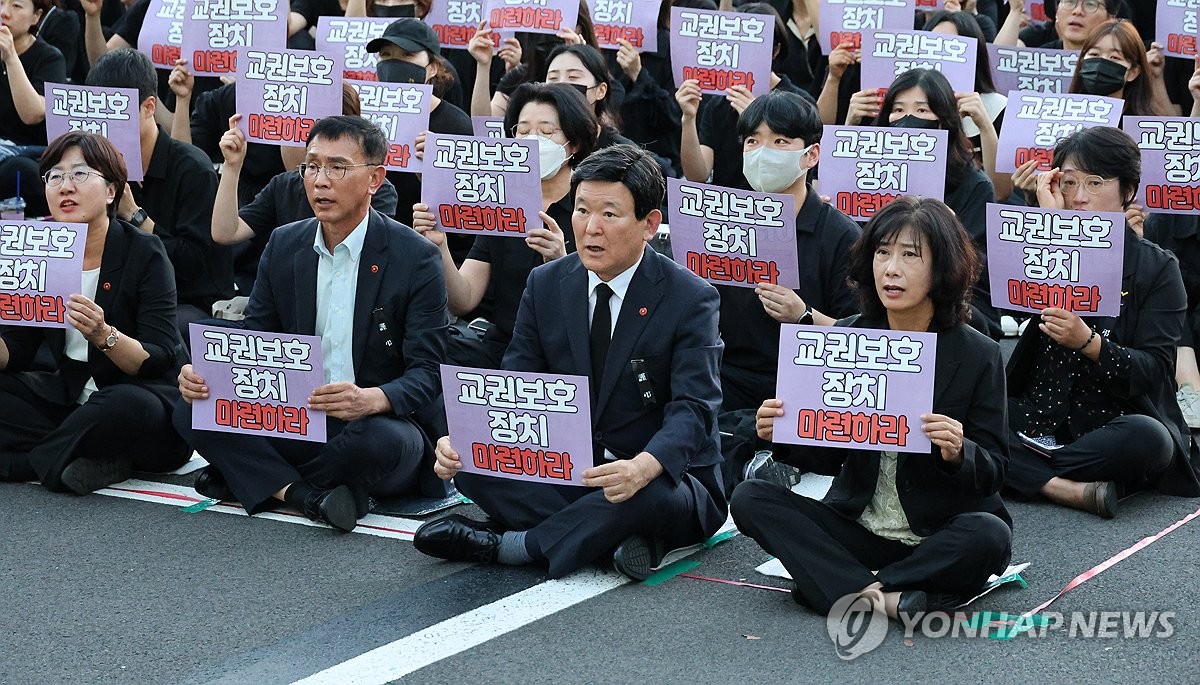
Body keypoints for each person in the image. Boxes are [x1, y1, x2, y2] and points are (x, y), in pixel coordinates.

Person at [412, 144, 726, 580]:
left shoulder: (690, 297)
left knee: (649, 495)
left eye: (610, 215)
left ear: (650, 224)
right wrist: (467, 436)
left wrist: (641, 467)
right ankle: (612, 540)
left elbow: (694, 409)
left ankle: (516, 546)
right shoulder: (546, 282)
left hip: (656, 472)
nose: (590, 228)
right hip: (568, 464)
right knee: (470, 468)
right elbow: (516, 383)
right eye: (581, 211)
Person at [732, 196, 1012, 619]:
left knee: (989, 536)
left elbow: (995, 467)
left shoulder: (979, 353)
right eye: (883, 252)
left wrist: (959, 451)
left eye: (909, 255)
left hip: (939, 530)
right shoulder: (845, 338)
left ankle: (838, 587)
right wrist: (780, 434)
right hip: (859, 524)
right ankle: (888, 598)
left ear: (942, 268)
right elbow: (826, 458)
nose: (891, 269)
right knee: (751, 497)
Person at [172, 115, 450, 532]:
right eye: (312, 166)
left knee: (383, 443)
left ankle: (254, 477)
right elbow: (256, 339)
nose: (320, 181)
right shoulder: (285, 244)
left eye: (338, 167)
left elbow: (428, 374)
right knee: (190, 407)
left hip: (373, 422)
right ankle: (305, 495)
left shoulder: (416, 257)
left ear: (375, 179)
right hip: (295, 415)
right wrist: (211, 374)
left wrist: (371, 399)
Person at [1005, 127, 1200, 516]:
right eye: (1070, 182)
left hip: (1110, 421)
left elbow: (1153, 370)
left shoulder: (1156, 267)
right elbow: (1008, 310)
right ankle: (1064, 487)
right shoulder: (1036, 242)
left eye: (1095, 183)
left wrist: (1089, 343)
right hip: (1037, 411)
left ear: (1127, 190)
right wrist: (1052, 233)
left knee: (1151, 440)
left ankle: (1015, 470)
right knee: (962, 411)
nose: (1079, 197)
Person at [0, 131, 190, 494]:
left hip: (142, 398)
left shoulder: (145, 252)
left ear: (111, 191)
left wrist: (104, 335)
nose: (65, 186)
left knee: (123, 405)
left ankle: (25, 463)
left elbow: (157, 358)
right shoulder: (37, 249)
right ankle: (97, 459)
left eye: (79, 174)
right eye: (55, 176)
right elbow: (17, 350)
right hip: (69, 398)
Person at [412, 82, 598, 368]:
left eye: (547, 132)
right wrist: (440, 246)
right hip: (503, 346)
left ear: (573, 143)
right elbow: (463, 300)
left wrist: (559, 262)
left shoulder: (592, 208)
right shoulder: (501, 204)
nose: (532, 140)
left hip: (570, 354)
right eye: (522, 132)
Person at [718, 90, 859, 412]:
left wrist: (804, 316)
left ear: (811, 155)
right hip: (724, 379)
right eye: (752, 141)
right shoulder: (720, 217)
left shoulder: (841, 235)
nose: (762, 152)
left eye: (780, 141)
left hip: (805, 385)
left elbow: (861, 330)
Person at [84, 48, 233, 334]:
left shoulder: (193, 169)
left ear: (149, 107)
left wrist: (136, 216)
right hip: (123, 290)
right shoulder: (96, 166)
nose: (107, 123)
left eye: (117, 111)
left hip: (189, 299)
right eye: (99, 110)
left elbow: (193, 266)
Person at [847, 68, 1000, 337]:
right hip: (874, 299)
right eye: (898, 109)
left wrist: (949, 234)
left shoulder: (973, 186)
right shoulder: (863, 178)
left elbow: (977, 277)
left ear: (944, 121)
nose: (907, 119)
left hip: (947, 308)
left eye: (921, 110)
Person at [208, 88, 401, 295]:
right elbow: (225, 232)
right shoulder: (284, 187)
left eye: (337, 167)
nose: (321, 182)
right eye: (299, 129)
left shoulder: (378, 191)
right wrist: (232, 165)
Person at [0, 0, 65, 218]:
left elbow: (33, 114)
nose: (4, 13)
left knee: (19, 171)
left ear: (36, 16)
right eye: (0, 3)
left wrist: (10, 58)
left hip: (28, 156)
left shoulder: (49, 58)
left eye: (16, 6)